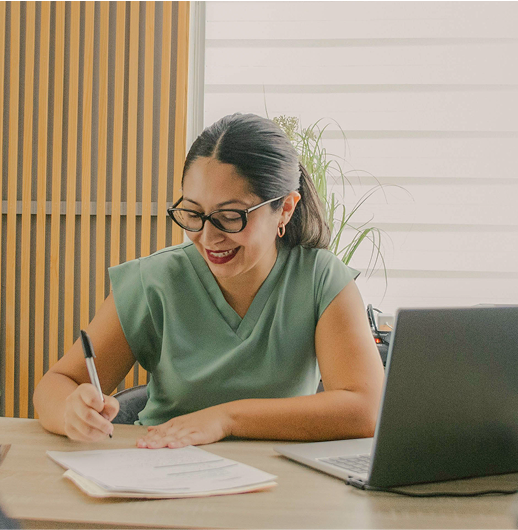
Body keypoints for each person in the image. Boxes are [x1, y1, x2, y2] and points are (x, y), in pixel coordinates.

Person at [33, 112, 384, 449]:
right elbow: (58, 383)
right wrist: (71, 410)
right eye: (194, 214)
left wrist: (226, 419)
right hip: (161, 471)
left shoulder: (320, 280)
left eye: (230, 217)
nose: (208, 237)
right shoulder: (155, 281)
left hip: (280, 483)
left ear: (286, 209)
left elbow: (365, 409)